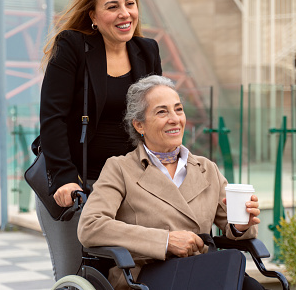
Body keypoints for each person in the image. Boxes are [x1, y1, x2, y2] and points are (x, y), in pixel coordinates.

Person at [78, 75, 264, 290]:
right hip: (146, 276)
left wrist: (240, 227)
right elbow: (90, 226)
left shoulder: (207, 168)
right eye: (162, 112)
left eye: (179, 109)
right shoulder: (120, 168)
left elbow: (232, 226)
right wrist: (165, 241)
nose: (175, 119)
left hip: (205, 270)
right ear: (139, 125)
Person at [37, 0, 162, 281]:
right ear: (92, 15)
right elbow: (51, 118)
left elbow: (155, 117)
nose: (125, 14)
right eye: (112, 6)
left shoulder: (147, 51)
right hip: (76, 184)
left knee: (135, 272)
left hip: (127, 186)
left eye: (129, 4)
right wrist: (66, 178)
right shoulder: (73, 46)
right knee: (75, 274)